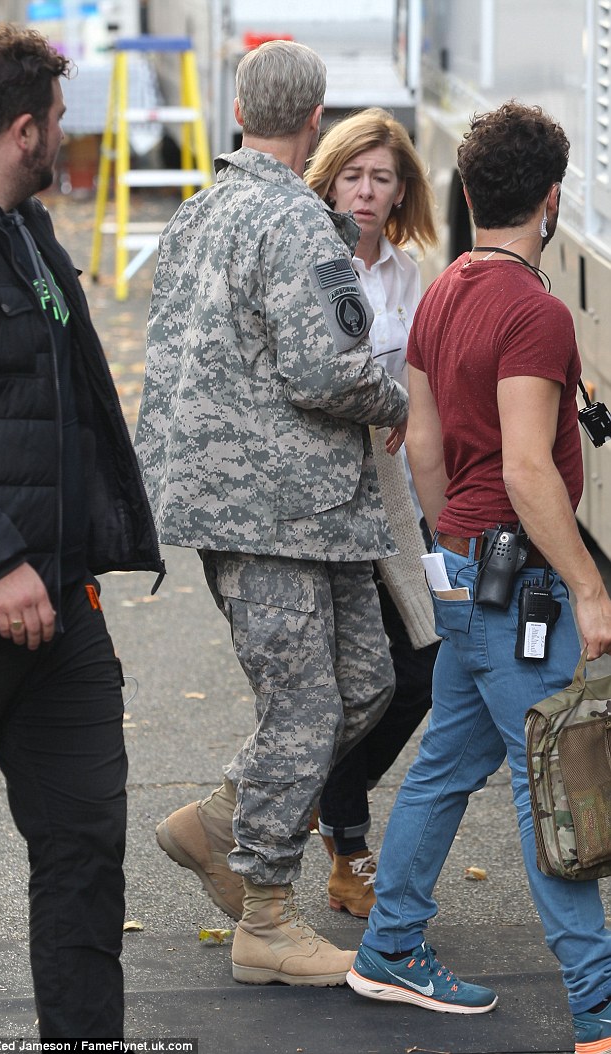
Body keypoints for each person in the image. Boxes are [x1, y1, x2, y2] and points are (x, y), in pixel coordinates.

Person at [135, 40, 408, 987]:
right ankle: (266, 916)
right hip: (275, 512)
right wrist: (399, 400)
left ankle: (216, 824)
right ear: (316, 123)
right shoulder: (297, 225)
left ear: (242, 110)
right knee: (307, 707)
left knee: (367, 682)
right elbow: (327, 368)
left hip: (292, 509)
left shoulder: (198, 212)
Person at [346, 100, 611, 1052]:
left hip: (463, 568)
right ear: (552, 199)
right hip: (523, 585)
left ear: (466, 191)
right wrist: (587, 586)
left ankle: (387, 950)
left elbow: (422, 447)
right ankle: (600, 1011)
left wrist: (448, 545)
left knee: (448, 765)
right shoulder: (534, 313)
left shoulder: (445, 289)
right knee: (559, 785)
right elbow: (528, 471)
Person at [0, 24, 164, 1040]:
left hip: (61, 610)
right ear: (22, 129)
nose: (67, 139)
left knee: (87, 848)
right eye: (57, 121)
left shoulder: (30, 230)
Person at [304, 108, 439, 918]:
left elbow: (418, 402)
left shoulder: (408, 274)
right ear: (331, 176)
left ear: (400, 192)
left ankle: (321, 791)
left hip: (392, 496)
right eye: (352, 173)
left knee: (420, 670)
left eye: (380, 177)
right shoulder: (310, 258)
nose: (364, 189)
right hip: (320, 499)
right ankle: (348, 848)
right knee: (346, 678)